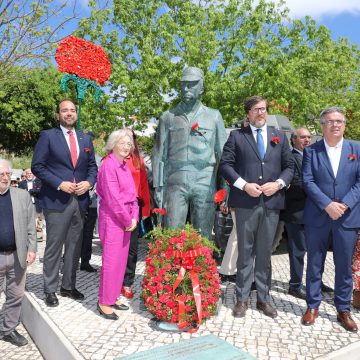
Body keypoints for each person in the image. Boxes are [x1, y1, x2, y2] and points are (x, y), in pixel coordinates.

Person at [220, 95, 293, 319]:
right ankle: (241, 298)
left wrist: (278, 184)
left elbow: (290, 166)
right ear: (248, 113)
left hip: (271, 204)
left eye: (263, 109)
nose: (260, 113)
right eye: (255, 110)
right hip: (245, 203)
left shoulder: (279, 136)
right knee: (244, 252)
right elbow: (225, 165)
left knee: (264, 253)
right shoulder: (236, 137)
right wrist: (243, 185)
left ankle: (263, 298)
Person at [31, 99, 98, 307]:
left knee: (74, 247)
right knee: (54, 247)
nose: (69, 113)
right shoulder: (48, 136)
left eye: (72, 110)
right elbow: (37, 166)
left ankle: (68, 286)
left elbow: (93, 167)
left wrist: (88, 182)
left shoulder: (85, 139)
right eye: (64, 110)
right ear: (58, 114)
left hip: (80, 201)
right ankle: (50, 289)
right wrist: (60, 183)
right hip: (56, 200)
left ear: (76, 114)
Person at [301, 107, 360, 332]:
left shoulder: (357, 148)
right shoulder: (311, 151)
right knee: (315, 263)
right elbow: (307, 181)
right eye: (331, 121)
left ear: (344, 125)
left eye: (340, 121)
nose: (336, 124)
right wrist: (327, 204)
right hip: (318, 216)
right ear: (323, 125)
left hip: (348, 216)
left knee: (343, 265)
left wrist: (344, 204)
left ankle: (343, 309)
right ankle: (313, 306)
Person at [152, 66, 227, 239]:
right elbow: (158, 154)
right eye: (183, 84)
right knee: (171, 235)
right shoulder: (168, 117)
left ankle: (201, 266)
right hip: (175, 181)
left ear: (201, 87)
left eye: (192, 84)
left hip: (204, 180)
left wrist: (225, 188)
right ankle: (169, 266)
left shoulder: (214, 116)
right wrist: (158, 187)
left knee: (203, 235)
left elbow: (223, 154)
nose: (186, 88)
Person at [282, 128, 333, 300]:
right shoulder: (290, 157)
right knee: (298, 250)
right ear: (293, 140)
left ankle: (316, 282)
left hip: (317, 213)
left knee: (318, 250)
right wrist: (320, 192)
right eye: (302, 137)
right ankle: (295, 285)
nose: (307, 140)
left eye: (309, 137)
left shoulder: (314, 157)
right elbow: (295, 183)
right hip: (297, 212)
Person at [97, 129, 139, 320]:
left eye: (129, 144)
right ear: (113, 144)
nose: (126, 146)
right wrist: (127, 219)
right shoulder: (108, 165)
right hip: (114, 220)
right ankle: (104, 301)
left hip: (127, 220)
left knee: (121, 262)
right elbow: (114, 198)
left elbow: (133, 196)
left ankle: (113, 296)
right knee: (111, 262)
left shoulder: (124, 165)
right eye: (122, 143)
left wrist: (135, 218)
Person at [0, 159, 37, 347]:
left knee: (15, 295)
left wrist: (31, 249)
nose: (5, 178)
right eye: (1, 175)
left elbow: (31, 225)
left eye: (8, 174)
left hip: (17, 255)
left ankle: (8, 329)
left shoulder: (22, 196)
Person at [121, 129, 151, 299]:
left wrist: (145, 209)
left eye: (130, 139)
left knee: (132, 248)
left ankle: (127, 282)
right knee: (116, 247)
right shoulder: (111, 160)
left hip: (134, 207)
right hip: (117, 207)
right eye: (123, 139)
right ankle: (113, 281)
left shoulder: (138, 160)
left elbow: (144, 185)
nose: (127, 142)